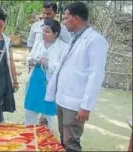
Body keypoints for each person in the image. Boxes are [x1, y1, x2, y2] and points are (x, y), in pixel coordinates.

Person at [45, 2, 109, 151]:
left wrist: (86, 107)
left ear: (76, 18)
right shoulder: (73, 39)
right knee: (63, 140)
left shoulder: (95, 40)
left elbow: (96, 75)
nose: (64, 21)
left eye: (66, 18)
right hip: (62, 99)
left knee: (71, 143)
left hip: (75, 103)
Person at [24, 19, 68, 131]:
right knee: (30, 112)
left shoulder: (63, 47)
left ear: (56, 34)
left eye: (47, 32)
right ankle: (28, 135)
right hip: (35, 81)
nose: (44, 33)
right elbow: (29, 57)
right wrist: (32, 61)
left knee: (48, 114)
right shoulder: (39, 43)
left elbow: (63, 67)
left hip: (49, 84)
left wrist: (48, 64)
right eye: (43, 31)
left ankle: (48, 140)